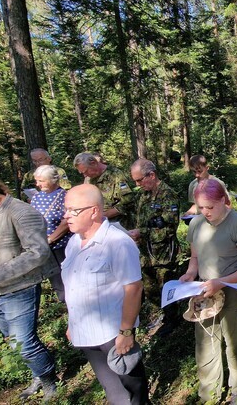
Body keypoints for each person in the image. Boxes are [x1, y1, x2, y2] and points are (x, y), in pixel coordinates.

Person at [62, 184, 147, 404]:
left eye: (73, 210)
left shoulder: (118, 243)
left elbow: (133, 288)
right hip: (86, 332)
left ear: (94, 211)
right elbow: (74, 286)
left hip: (112, 333)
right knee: (113, 391)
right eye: (66, 209)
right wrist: (73, 323)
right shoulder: (73, 242)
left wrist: (126, 331)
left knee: (133, 390)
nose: (66, 215)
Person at [180, 179, 237, 403]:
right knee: (205, 344)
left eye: (210, 207)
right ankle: (209, 394)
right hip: (205, 292)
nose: (205, 212)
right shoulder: (196, 224)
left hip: (234, 290)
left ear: (224, 200)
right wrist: (189, 274)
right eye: (201, 207)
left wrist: (221, 282)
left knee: (234, 343)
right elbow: (195, 257)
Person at [0, 179, 58, 401]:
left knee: (24, 342)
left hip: (20, 287)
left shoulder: (21, 211)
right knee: (14, 341)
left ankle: (50, 379)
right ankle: (38, 375)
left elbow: (37, 253)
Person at [129, 159, 180, 337]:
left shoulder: (168, 195)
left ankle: (174, 319)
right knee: (150, 290)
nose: (137, 184)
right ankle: (165, 315)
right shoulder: (143, 195)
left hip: (163, 254)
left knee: (166, 287)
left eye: (140, 180)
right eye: (135, 181)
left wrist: (141, 233)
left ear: (151, 175)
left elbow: (168, 229)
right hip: (145, 253)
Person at [31, 165, 72, 301]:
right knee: (56, 281)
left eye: (41, 181)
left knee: (68, 278)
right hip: (43, 246)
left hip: (61, 246)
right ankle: (65, 305)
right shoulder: (36, 198)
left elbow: (66, 222)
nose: (38, 184)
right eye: (37, 181)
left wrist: (50, 239)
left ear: (53, 180)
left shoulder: (65, 196)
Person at [73, 152, 136, 228]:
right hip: (96, 225)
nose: (85, 175)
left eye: (86, 171)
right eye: (82, 173)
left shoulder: (116, 175)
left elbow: (128, 202)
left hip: (117, 225)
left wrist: (103, 216)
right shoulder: (88, 179)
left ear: (93, 163)